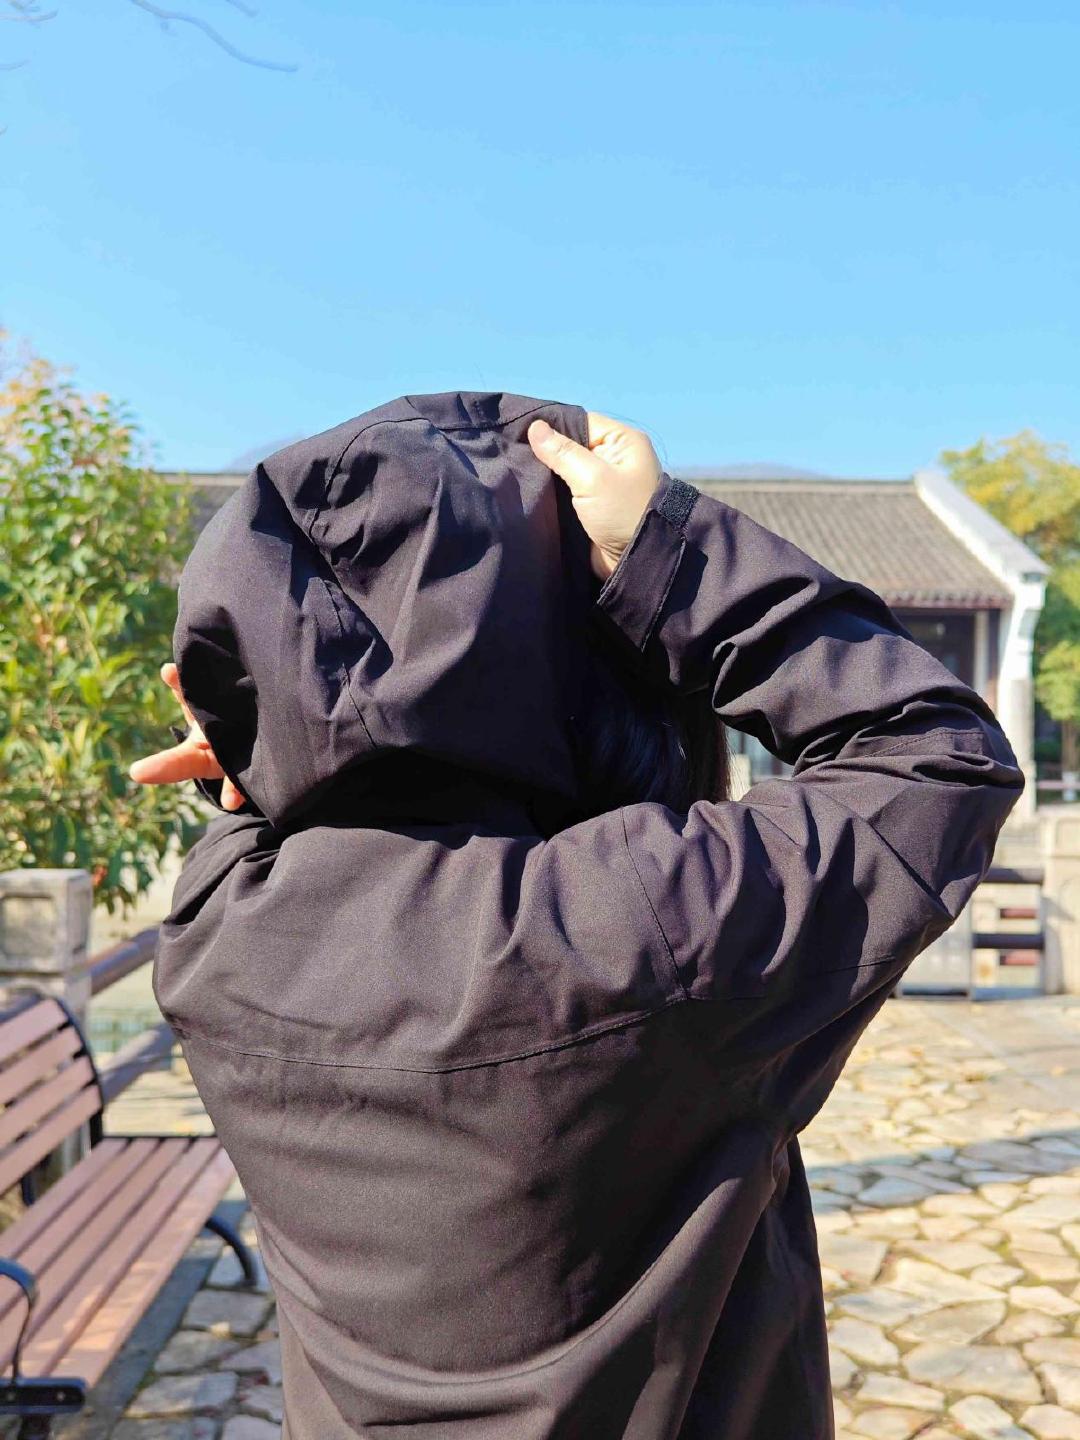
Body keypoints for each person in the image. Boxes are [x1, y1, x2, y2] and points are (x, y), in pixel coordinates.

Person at [131, 392, 1023, 1440]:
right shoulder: (653, 922)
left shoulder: (220, 930)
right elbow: (936, 757)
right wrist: (667, 559)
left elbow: (276, 788)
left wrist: (263, 740)